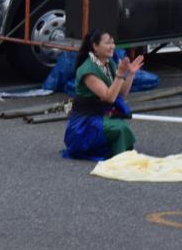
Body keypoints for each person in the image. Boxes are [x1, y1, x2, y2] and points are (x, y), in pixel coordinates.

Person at [61, 30, 143, 161]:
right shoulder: (87, 69)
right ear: (95, 46)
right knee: (119, 128)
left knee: (120, 127)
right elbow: (109, 97)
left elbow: (122, 92)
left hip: (100, 116)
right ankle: (117, 156)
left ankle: (117, 154)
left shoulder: (109, 63)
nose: (112, 46)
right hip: (84, 123)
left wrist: (131, 74)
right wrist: (120, 74)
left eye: (113, 42)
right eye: (108, 43)